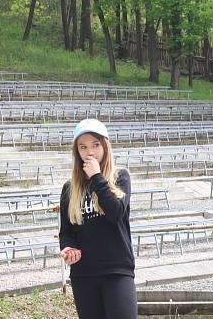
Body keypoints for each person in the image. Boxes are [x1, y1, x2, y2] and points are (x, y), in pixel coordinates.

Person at [59, 118, 136, 319]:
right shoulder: (70, 188)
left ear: (105, 146)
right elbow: (67, 231)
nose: (89, 152)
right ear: (77, 151)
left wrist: (97, 178)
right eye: (83, 147)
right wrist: (67, 247)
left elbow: (115, 213)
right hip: (84, 274)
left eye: (95, 145)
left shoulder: (120, 178)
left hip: (117, 270)